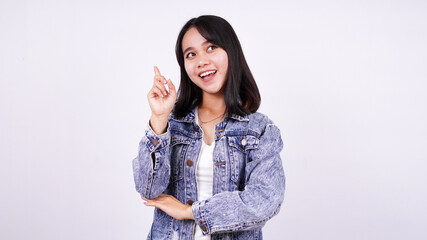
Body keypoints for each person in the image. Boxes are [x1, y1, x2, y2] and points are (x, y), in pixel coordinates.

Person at [133, 15, 285, 240]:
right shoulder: (171, 123)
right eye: (191, 54)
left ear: (231, 53)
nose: (201, 61)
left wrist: (190, 212)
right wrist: (159, 118)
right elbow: (148, 190)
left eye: (211, 47)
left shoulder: (260, 129)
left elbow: (264, 200)